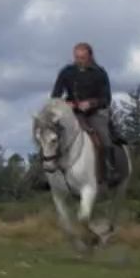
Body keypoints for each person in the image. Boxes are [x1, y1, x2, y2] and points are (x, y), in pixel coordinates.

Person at [50, 42, 122, 182]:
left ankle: (110, 170)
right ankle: (44, 173)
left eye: (82, 58)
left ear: (90, 56)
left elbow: (106, 98)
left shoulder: (99, 73)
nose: (79, 61)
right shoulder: (66, 72)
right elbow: (55, 96)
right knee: (51, 134)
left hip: (95, 112)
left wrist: (90, 103)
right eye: (77, 57)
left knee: (103, 135)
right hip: (72, 112)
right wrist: (65, 103)